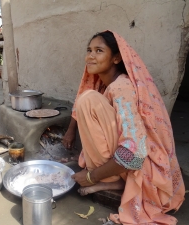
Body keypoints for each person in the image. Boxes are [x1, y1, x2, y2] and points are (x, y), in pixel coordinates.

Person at [62, 31, 185, 224]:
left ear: (116, 58)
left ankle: (112, 180)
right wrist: (70, 130)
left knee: (88, 100)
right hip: (133, 159)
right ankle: (117, 179)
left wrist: (91, 177)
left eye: (99, 50)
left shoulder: (122, 88)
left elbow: (135, 155)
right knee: (87, 98)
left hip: (142, 166)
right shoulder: (106, 85)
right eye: (89, 50)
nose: (90, 56)